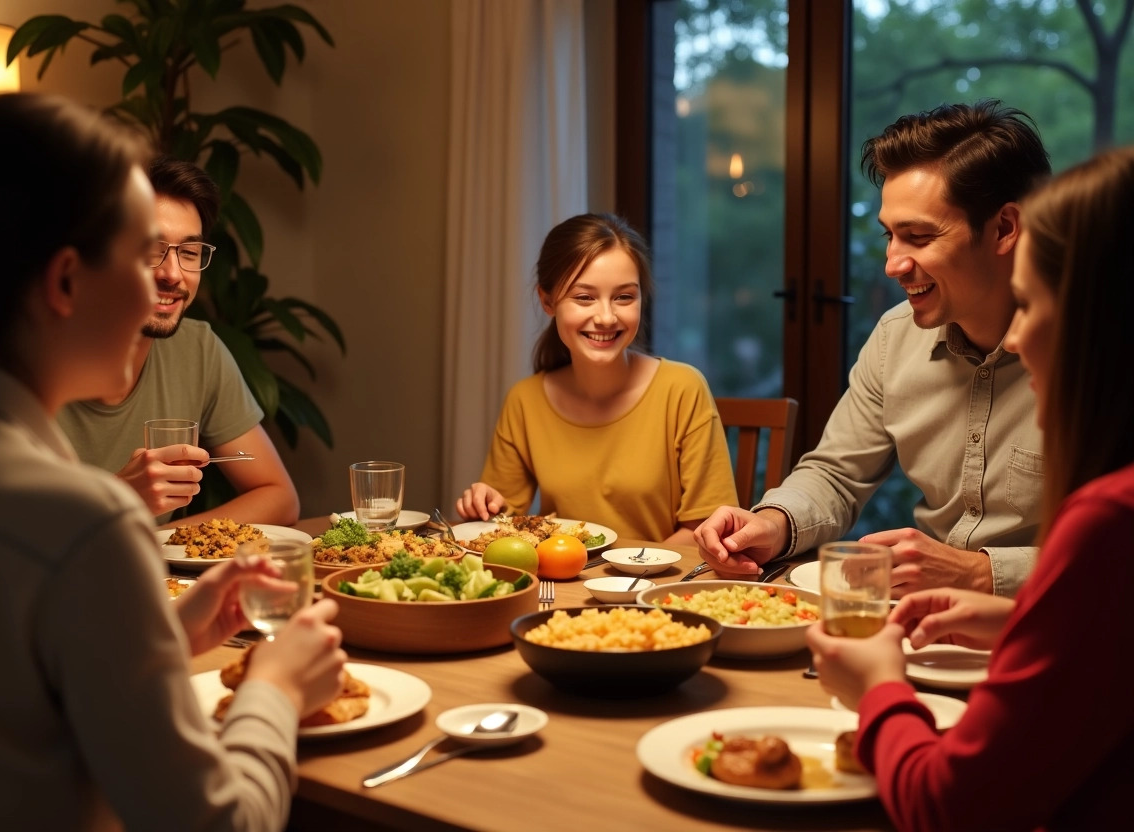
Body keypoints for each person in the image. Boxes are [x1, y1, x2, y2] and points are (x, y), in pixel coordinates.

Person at [0, 93, 346, 830]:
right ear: (65, 282)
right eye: (138, 253)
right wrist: (274, 687)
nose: (162, 282)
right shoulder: (80, 524)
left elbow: (6, 699)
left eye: (183, 254)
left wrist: (170, 636)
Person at [806, 146, 1134, 831]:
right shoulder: (894, 339)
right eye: (889, 235)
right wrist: (1023, 622)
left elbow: (949, 805)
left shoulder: (1108, 515)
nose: (1016, 338)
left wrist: (878, 687)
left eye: (1031, 303)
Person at [695, 100, 1050, 597]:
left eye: (919, 237)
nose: (892, 264)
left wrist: (982, 573)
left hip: (1067, 635)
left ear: (1005, 229)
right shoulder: (895, 335)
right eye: (890, 236)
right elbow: (837, 473)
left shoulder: (1099, 348)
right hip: (925, 628)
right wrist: (773, 523)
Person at [455, 212, 738, 545]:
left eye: (624, 297)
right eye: (584, 297)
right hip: (560, 586)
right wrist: (484, 504)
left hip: (652, 588)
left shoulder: (682, 389)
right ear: (548, 300)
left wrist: (629, 575)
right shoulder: (525, 400)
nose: (605, 317)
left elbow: (706, 530)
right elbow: (502, 525)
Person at [56, 156, 299, 527]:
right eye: (151, 249)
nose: (173, 274)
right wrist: (117, 500)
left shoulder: (196, 349)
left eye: (189, 253)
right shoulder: (23, 365)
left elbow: (278, 496)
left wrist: (159, 544)